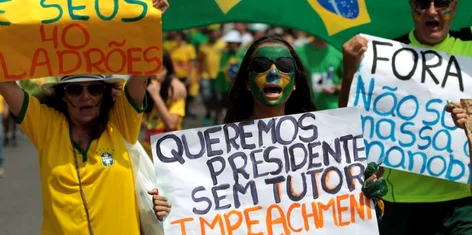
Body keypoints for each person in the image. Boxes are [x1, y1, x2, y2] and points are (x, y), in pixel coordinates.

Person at [0, 0, 169, 235]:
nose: (86, 96)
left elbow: (140, 75)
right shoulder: (46, 126)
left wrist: (149, 21)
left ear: (104, 94)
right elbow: (5, 85)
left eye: (94, 89)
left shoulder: (120, 123)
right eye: (75, 90)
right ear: (63, 96)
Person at [152, 35, 387, 221]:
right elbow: (195, 213)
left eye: (284, 65)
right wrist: (168, 206)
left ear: (295, 83)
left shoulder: (322, 147)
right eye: (261, 65)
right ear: (247, 81)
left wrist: (363, 193)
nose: (273, 73)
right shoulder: (217, 149)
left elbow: (340, 214)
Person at [339, 0, 472, 235]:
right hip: (399, 203)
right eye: (423, 3)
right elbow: (349, 121)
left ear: (455, 5)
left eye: (442, 2)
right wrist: (349, 72)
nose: (432, 11)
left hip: (460, 203)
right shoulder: (383, 56)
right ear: (412, 5)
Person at [142, 50, 186, 159]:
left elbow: (171, 125)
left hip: (169, 152)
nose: (155, 74)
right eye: (151, 69)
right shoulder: (143, 88)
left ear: (168, 70)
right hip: (147, 151)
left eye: (160, 69)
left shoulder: (174, 92)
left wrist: (156, 96)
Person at [296, 36, 343, 110]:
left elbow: (347, 79)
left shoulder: (339, 52)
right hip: (307, 109)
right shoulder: (299, 52)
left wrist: (336, 88)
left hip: (333, 109)